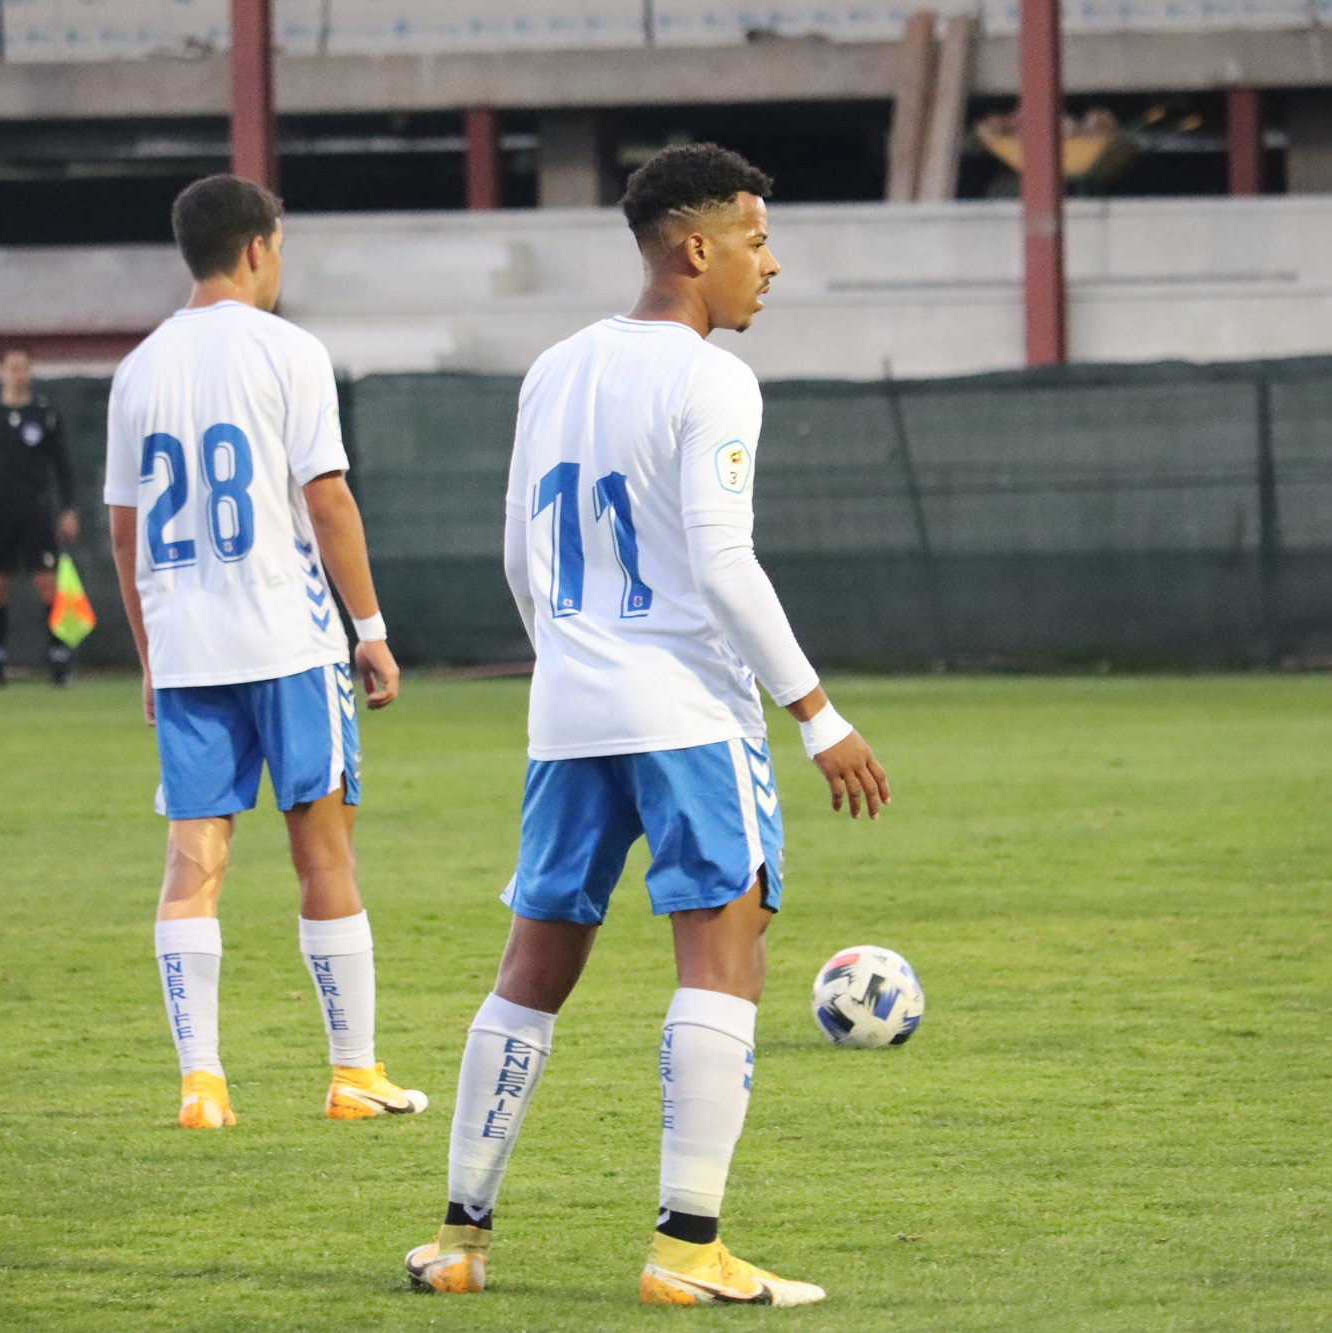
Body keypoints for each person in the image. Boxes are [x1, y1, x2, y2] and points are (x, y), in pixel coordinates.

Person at [403, 144, 890, 1306]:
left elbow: (520, 554)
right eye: (757, 239)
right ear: (695, 247)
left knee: (531, 966)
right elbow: (723, 564)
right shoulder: (712, 380)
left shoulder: (555, 367)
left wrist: (570, 654)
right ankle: (685, 1250)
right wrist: (816, 715)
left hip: (566, 710)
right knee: (722, 955)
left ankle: (459, 1242)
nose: (769, 265)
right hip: (683, 713)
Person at [104, 174, 426, 1130]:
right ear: (255, 248)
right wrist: (370, 631)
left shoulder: (138, 369)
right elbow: (326, 500)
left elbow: (125, 534)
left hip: (190, 649)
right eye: (278, 248)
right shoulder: (289, 351)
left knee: (192, 861)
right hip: (288, 638)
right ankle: (353, 1073)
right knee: (322, 852)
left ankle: (202, 1084)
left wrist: (151, 655)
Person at [0, 347, 80, 689]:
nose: (17, 374)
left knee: (48, 584)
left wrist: (68, 508)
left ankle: (59, 663)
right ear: (0, 373)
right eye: (11, 368)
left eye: (23, 368)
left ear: (30, 372)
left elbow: (62, 465)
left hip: (36, 509)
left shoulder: (44, 414)